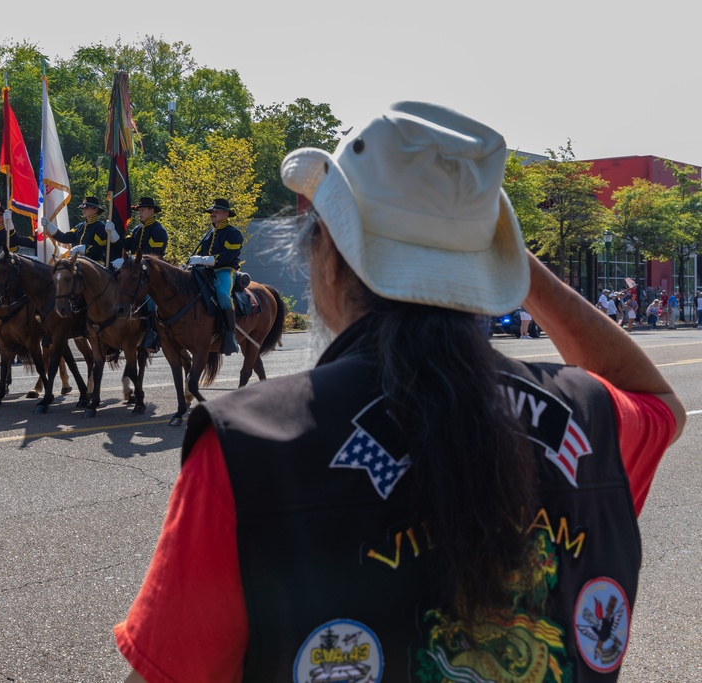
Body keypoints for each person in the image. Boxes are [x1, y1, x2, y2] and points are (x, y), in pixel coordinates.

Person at [115, 102, 685, 683]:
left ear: (328, 254)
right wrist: (503, 255)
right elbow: (659, 404)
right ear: (492, 262)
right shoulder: (590, 416)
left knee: (217, 293)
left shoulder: (249, 446)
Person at [187, 198, 244, 355]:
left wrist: (205, 260)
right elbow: (201, 253)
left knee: (222, 294)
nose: (213, 214)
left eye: (216, 211)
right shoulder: (209, 233)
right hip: (205, 272)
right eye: (212, 211)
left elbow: (228, 256)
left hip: (225, 270)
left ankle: (230, 335)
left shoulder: (233, 233)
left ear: (226, 214)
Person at [113, 197, 169, 354]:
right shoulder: (137, 229)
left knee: (150, 302)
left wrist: (130, 260)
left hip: (153, 273)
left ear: (152, 211)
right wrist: (114, 237)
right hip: (135, 271)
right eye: (139, 211)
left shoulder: (159, 230)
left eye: (142, 210)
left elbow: (152, 255)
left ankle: (152, 334)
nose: (140, 213)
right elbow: (127, 245)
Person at [42, 197, 119, 265]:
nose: (83, 210)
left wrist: (85, 248)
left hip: (94, 265)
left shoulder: (100, 227)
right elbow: (64, 238)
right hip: (78, 263)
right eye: (83, 208)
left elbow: (101, 250)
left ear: (95, 209)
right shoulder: (80, 226)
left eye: (87, 208)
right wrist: (49, 225)